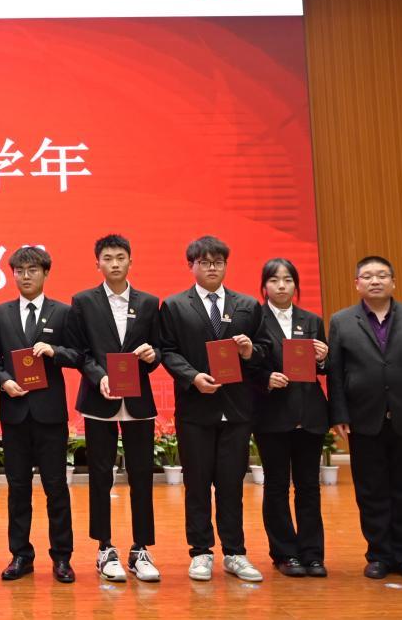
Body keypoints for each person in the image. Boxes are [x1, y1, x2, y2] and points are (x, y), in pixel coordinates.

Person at [328, 255, 402, 582]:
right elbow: (335, 374)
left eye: (382, 275)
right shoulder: (341, 321)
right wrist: (339, 414)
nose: (375, 280)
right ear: (357, 284)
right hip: (363, 420)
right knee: (371, 491)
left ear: (393, 282)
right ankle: (379, 555)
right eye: (368, 276)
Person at [159, 236, 270, 583]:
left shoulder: (247, 305)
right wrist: (192, 377)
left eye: (218, 262)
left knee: (231, 484)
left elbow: (265, 350)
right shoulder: (175, 306)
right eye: (204, 262)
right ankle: (201, 552)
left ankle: (235, 552)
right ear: (191, 265)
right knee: (196, 485)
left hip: (236, 409)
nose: (212, 268)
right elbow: (167, 351)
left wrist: (250, 351)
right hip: (195, 408)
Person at [65, 234, 162, 582]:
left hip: (138, 402)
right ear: (98, 264)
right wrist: (99, 376)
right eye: (108, 258)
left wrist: (152, 356)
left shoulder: (149, 303)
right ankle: (104, 547)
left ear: (131, 261)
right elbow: (79, 353)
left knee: (142, 475)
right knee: (100, 475)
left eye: (121, 257)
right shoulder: (83, 302)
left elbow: (159, 351)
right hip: (99, 400)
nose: (115, 263)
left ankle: (141, 549)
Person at [0, 246, 80, 583]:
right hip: (14, 413)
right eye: (19, 271)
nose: (25, 276)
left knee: (56, 487)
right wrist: (4, 381)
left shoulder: (63, 312)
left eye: (32, 270)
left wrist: (55, 350)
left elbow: (77, 355)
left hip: (49, 414)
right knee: (18, 488)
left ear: (45, 273)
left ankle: (62, 558)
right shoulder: (1, 313)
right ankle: (20, 556)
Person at [250, 258, 329, 578]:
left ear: (296, 285)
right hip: (272, 415)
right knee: (277, 485)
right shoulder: (254, 320)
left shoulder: (312, 320)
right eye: (274, 280)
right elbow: (247, 367)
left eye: (288, 280)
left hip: (310, 414)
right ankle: (285, 553)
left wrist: (323, 359)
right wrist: (265, 379)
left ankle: (313, 554)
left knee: (309, 486)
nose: (281, 286)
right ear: (264, 286)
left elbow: (324, 368)